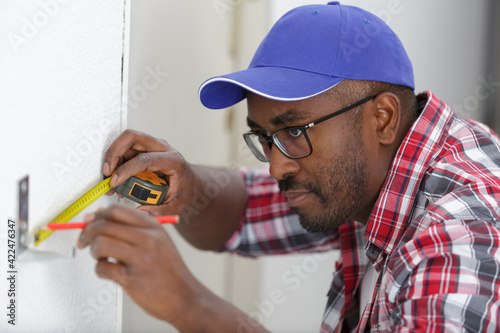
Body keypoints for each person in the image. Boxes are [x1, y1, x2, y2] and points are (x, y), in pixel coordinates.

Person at [77, 2, 500, 332]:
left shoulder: (458, 237)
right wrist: (185, 188)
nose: (277, 166)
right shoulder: (375, 172)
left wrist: (189, 306)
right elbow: (243, 215)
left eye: (295, 131)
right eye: (264, 138)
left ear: (382, 118)